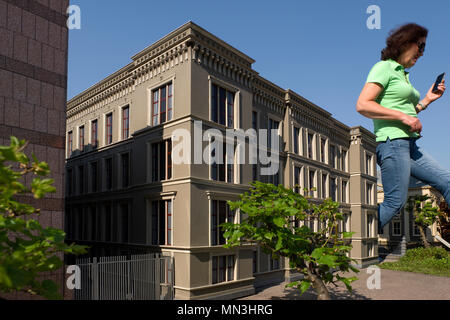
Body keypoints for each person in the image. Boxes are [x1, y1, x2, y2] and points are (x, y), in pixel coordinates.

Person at [356, 23, 448, 232]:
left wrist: (427, 100)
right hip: (392, 143)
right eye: (421, 46)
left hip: (409, 145)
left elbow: (408, 111)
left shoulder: (402, 74)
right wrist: (404, 117)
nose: (422, 53)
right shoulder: (384, 67)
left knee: (447, 182)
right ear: (406, 42)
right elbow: (363, 104)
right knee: (394, 202)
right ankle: (353, 241)